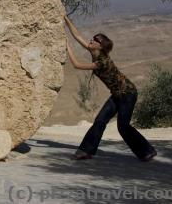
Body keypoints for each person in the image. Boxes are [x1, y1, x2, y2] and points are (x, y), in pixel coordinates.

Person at [63, 15, 157, 162]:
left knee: (123, 127)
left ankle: (147, 151)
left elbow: (76, 65)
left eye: (96, 40)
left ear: (100, 46)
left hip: (128, 94)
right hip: (117, 94)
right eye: (93, 38)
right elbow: (77, 35)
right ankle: (85, 152)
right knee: (100, 120)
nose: (92, 40)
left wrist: (66, 46)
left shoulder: (102, 62)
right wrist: (65, 19)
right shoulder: (93, 51)